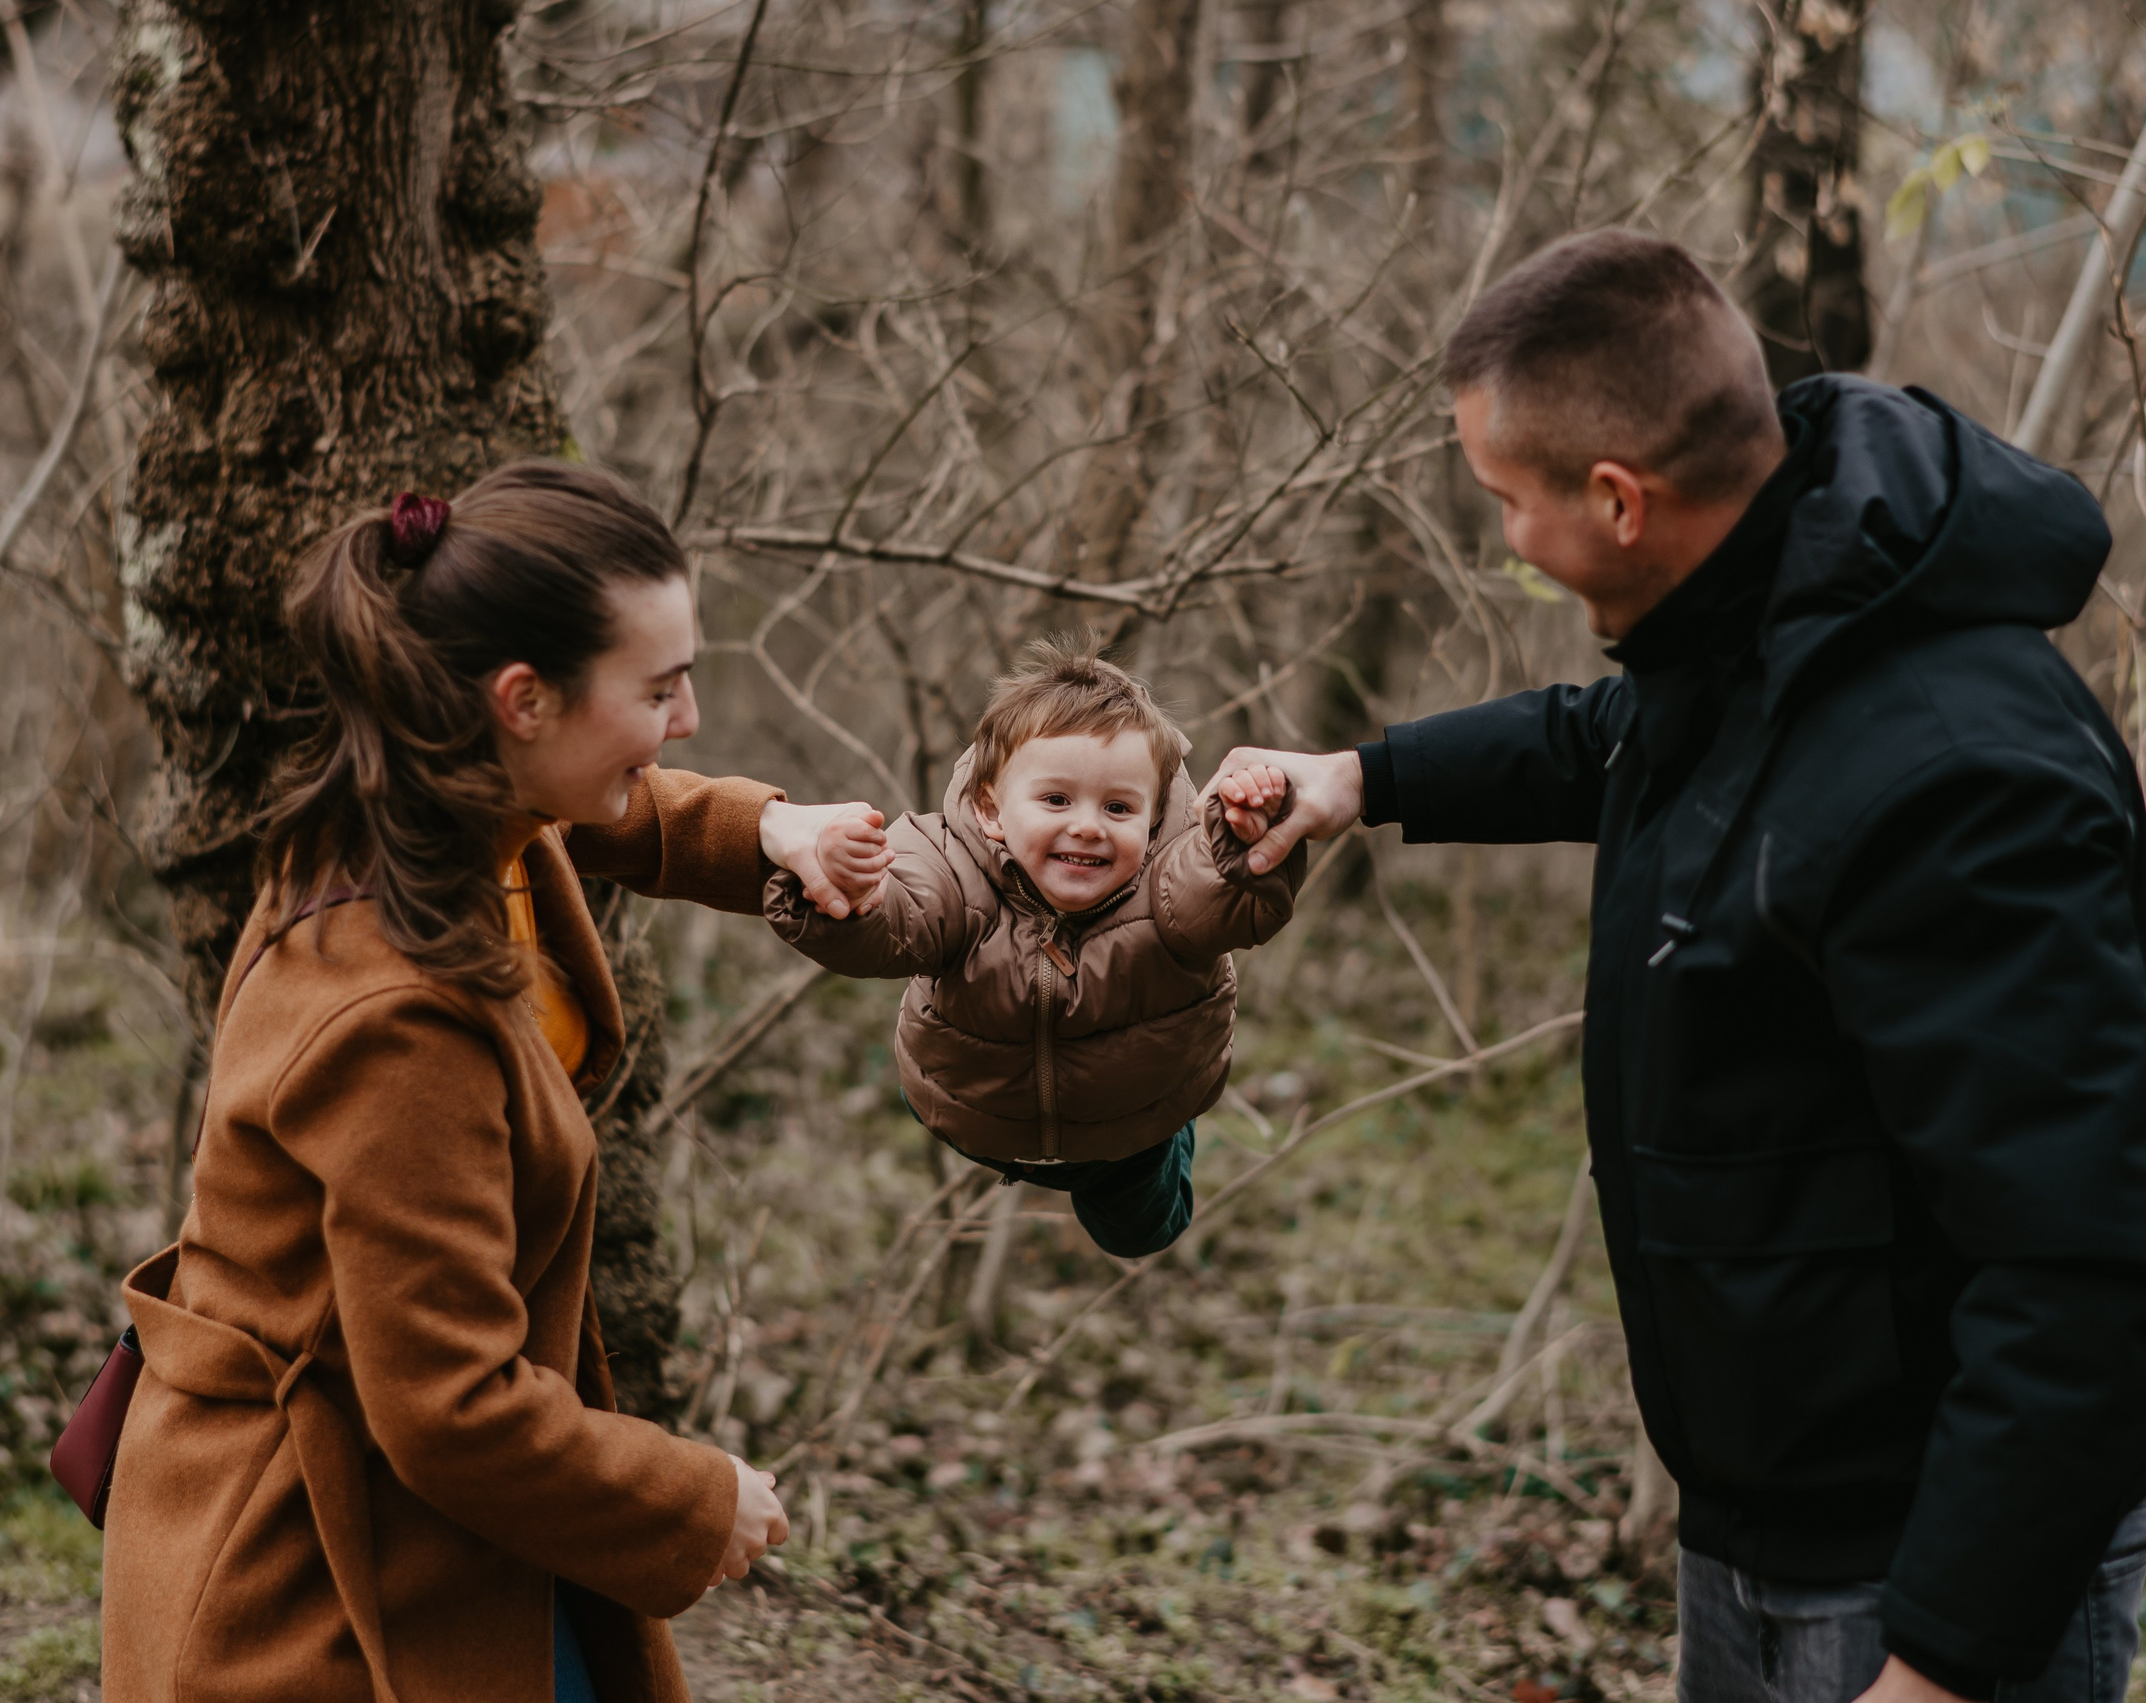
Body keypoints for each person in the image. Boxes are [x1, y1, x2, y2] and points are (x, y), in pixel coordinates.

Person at [1204, 232, 2146, 1703]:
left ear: (1619, 500)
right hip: (1759, 1536)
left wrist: (1935, 1667)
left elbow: (2091, 1280)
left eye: (1507, 503)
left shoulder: (1962, 776)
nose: (1506, 543)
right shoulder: (1763, 605)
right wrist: (1360, 774)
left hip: (1925, 1581)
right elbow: (1611, 740)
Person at [98, 463, 891, 1703]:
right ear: (523, 699)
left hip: (445, 1522)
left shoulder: (430, 812)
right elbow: (453, 1407)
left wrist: (766, 830)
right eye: (661, 687)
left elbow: (588, 810)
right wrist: (696, 1499)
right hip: (317, 1585)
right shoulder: (401, 1019)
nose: (687, 719)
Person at [765, 638, 1303, 1259]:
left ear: (1154, 822)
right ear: (991, 810)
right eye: (1055, 799)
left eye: (1119, 807)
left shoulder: (1171, 878)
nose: (1087, 825)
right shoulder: (946, 862)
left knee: (1142, 1235)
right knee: (934, 1084)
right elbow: (893, 923)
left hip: (1130, 1128)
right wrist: (843, 887)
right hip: (979, 1119)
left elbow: (1226, 901)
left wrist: (1250, 850)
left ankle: (1172, 1136)